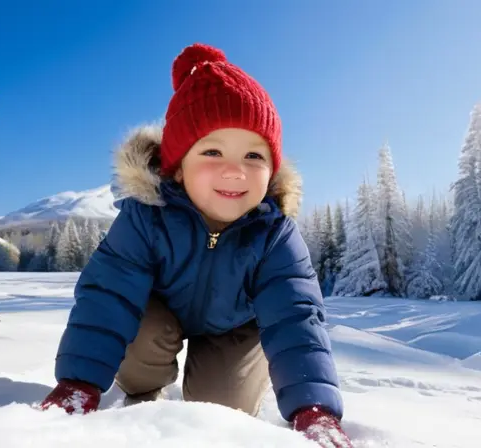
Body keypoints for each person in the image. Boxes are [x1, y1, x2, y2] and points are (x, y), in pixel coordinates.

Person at [38, 43, 353, 447]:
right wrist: (79, 383)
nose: (235, 170)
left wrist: (315, 409)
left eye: (254, 155)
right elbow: (107, 296)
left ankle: (224, 388)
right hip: (158, 318)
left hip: (234, 328)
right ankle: (145, 388)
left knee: (222, 409)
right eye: (212, 151)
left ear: (272, 169)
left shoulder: (274, 233)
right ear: (178, 166)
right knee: (141, 341)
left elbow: (296, 318)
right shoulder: (146, 216)